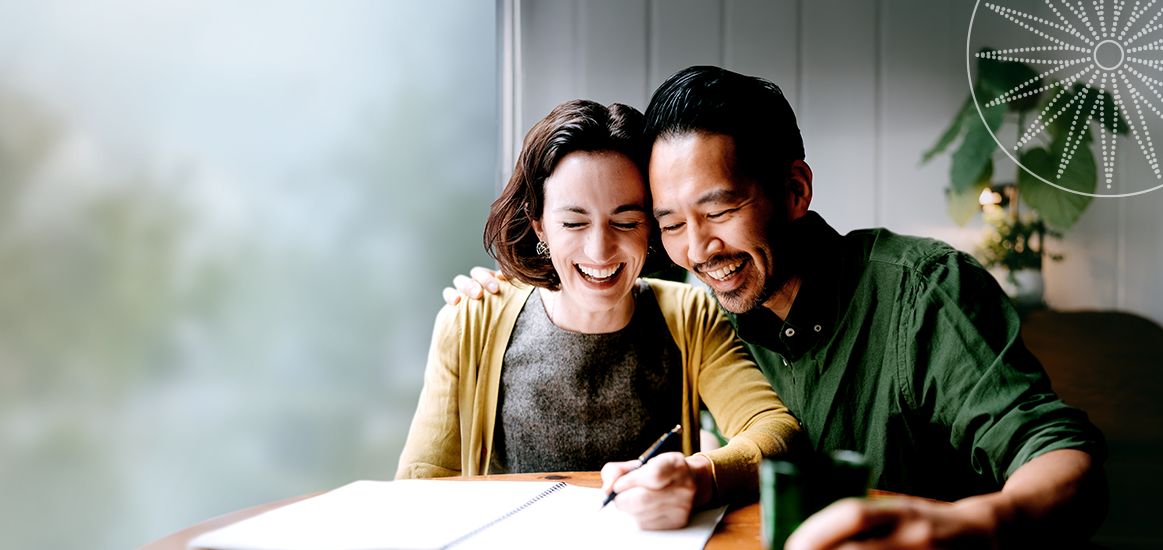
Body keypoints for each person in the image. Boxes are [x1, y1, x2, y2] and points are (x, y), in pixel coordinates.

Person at [448, 66, 1107, 548]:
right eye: (669, 223)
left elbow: (1057, 452)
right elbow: (590, 263)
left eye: (719, 210)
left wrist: (971, 522)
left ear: (793, 190)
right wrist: (493, 294)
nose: (697, 248)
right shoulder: (696, 307)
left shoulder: (919, 290)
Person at [396, 99, 802, 530]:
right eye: (574, 223)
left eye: (626, 221)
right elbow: (419, 488)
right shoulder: (472, 319)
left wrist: (698, 475)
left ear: (651, 227)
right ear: (539, 227)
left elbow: (775, 431)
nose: (599, 251)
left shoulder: (691, 315)